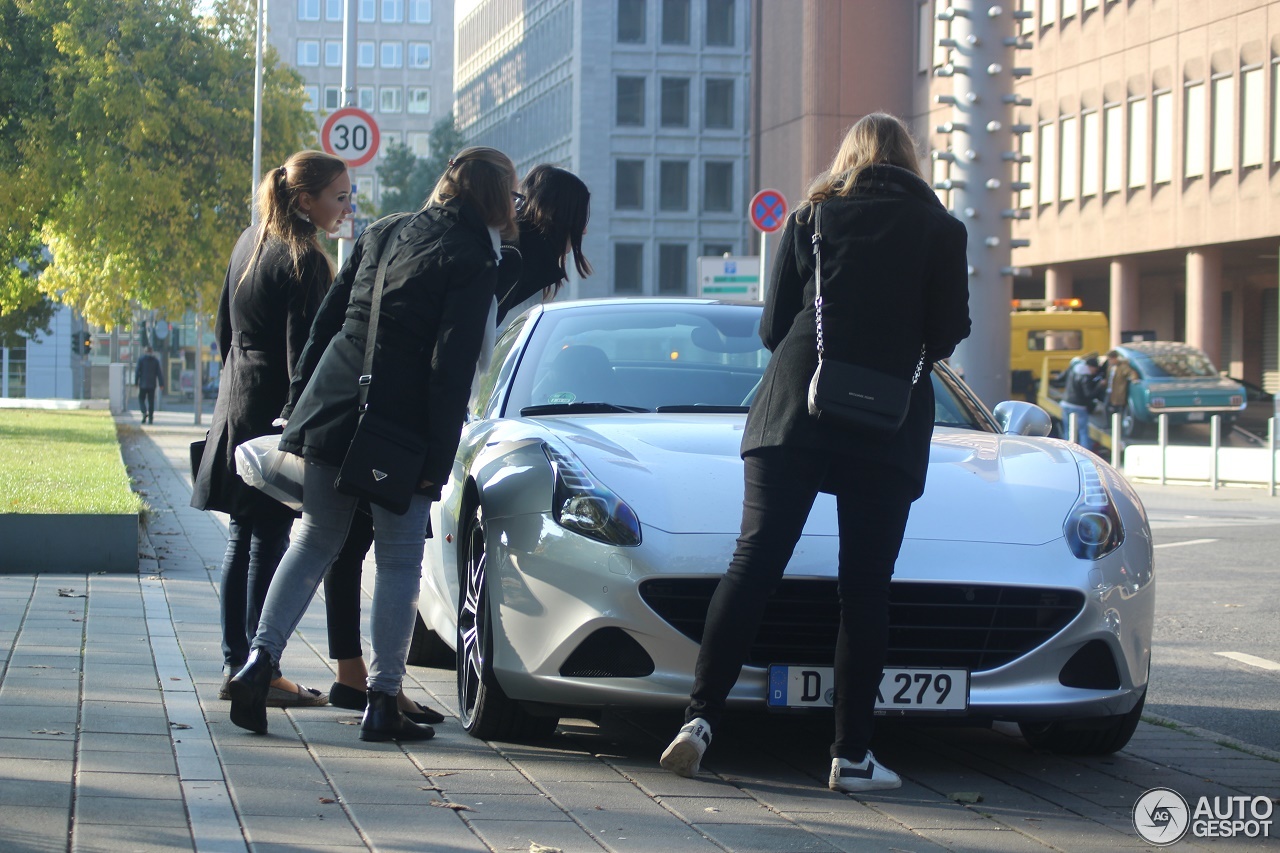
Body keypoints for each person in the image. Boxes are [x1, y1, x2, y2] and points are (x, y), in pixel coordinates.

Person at [659, 113, 971, 793]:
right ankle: (851, 756)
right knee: (864, 587)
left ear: (848, 157)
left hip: (797, 405)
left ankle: (699, 721)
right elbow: (947, 334)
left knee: (754, 562)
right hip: (885, 421)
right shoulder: (942, 230)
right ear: (910, 161)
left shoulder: (809, 219)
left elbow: (774, 328)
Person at [228, 146, 521, 742]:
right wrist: (437, 462)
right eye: (512, 196)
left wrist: (297, 406)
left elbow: (328, 322)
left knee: (312, 540)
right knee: (397, 559)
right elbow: (451, 366)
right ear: (493, 199)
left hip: (334, 404)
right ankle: (383, 702)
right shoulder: (472, 257)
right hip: (400, 425)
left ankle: (258, 664)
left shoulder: (385, 230)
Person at [321, 163, 593, 724]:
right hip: (418, 407)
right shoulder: (520, 257)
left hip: (385, 392)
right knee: (388, 550)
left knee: (341, 542)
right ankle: (377, 686)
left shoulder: (494, 248)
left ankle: (358, 676)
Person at [191, 149, 352, 709]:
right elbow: (303, 355)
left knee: (242, 539)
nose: (346, 207)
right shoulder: (305, 259)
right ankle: (262, 668)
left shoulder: (248, 241)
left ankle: (238, 660)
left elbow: (222, 331)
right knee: (269, 542)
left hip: (235, 401)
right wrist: (302, 422)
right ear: (306, 200)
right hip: (274, 413)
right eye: (339, 196)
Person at [1061, 353, 1107, 450]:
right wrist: (1099, 385)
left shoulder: (1073, 370)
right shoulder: (1085, 376)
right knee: (1083, 432)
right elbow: (1088, 394)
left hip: (1065, 403)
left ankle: (1067, 450)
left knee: (1067, 430)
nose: (1095, 372)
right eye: (1095, 369)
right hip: (1078, 406)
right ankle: (1086, 453)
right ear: (1090, 367)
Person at [135, 347, 164, 424]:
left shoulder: (141, 360)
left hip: (143, 384)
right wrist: (161, 384)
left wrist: (136, 382)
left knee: (141, 399)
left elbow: (137, 371)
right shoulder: (155, 361)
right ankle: (150, 418)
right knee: (151, 401)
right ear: (152, 352)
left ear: (145, 352)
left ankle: (144, 412)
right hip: (152, 384)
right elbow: (159, 373)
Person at [1106, 349, 1136, 416]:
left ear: (1115, 358)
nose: (1109, 361)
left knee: (1118, 410)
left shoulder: (1122, 366)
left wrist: (1134, 379)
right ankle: (1109, 424)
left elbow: (1131, 373)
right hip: (1109, 390)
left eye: (1110, 359)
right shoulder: (1110, 367)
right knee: (1107, 408)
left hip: (1118, 392)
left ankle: (1117, 424)